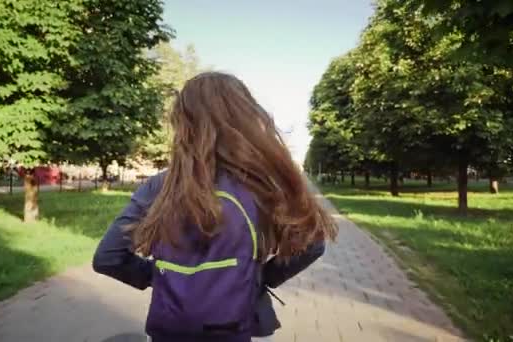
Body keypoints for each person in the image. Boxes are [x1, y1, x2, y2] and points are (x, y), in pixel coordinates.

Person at [92, 72, 337, 342]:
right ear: (246, 119)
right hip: (234, 328)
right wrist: (257, 277)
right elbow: (313, 243)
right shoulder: (265, 186)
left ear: (184, 124)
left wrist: (162, 278)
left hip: (168, 329)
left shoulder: (161, 186)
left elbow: (108, 257)